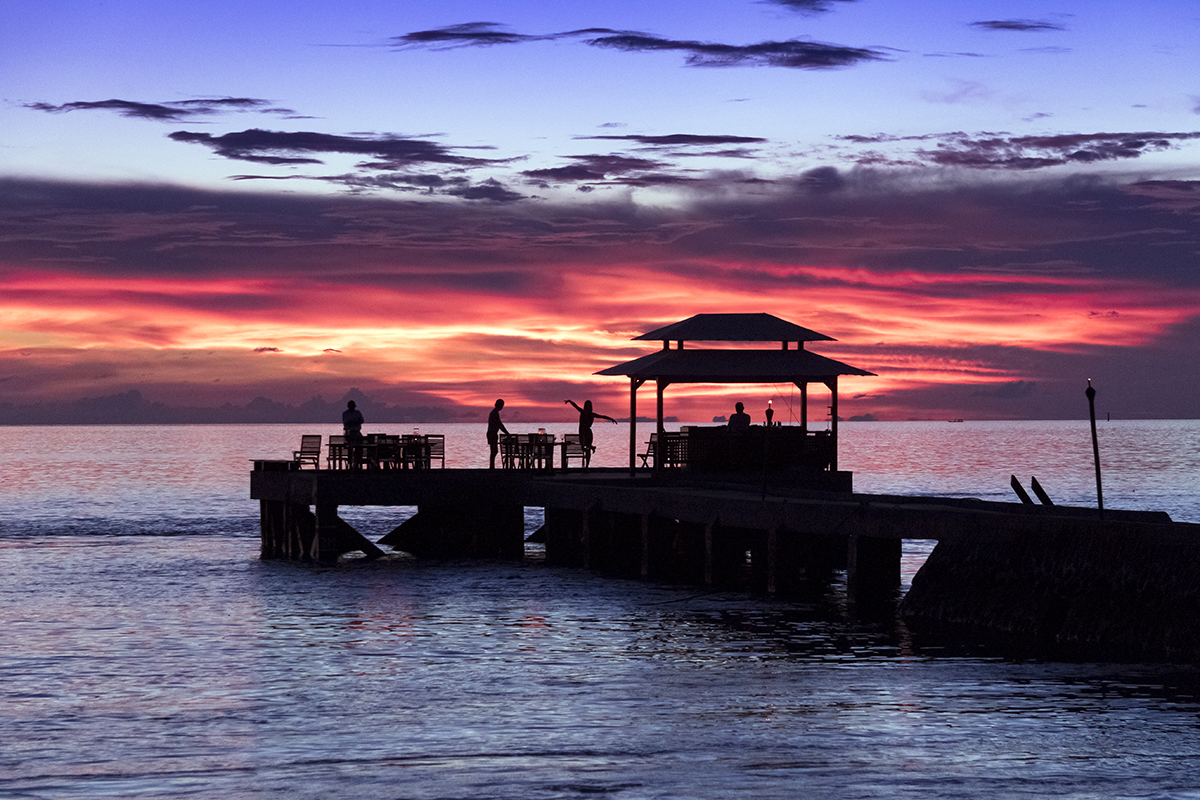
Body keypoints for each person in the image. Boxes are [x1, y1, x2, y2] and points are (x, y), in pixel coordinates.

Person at [565, 399, 616, 468]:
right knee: (584, 447)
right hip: (582, 432)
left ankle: (587, 466)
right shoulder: (582, 412)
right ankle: (591, 447)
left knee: (587, 449)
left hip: (588, 432)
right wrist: (570, 401)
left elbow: (602, 416)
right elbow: (575, 406)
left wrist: (611, 418)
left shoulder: (591, 414)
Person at [342, 400, 365, 469]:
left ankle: (358, 463)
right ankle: (350, 463)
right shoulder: (345, 413)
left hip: (357, 433)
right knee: (350, 448)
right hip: (349, 434)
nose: (353, 408)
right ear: (348, 407)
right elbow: (347, 423)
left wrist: (352, 422)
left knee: (359, 448)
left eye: (353, 407)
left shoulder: (358, 413)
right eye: (351, 406)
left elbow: (362, 421)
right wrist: (355, 421)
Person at [487, 399, 508, 469]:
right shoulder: (494, 413)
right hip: (492, 433)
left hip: (492, 433)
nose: (502, 406)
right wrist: (507, 433)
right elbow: (499, 424)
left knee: (494, 451)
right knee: (494, 451)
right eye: (501, 405)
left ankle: (492, 467)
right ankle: (491, 467)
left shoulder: (495, 412)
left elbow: (499, 424)